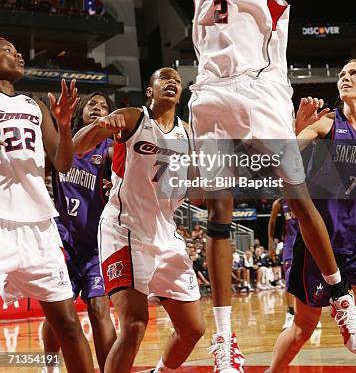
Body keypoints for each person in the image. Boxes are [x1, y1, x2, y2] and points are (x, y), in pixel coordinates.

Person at [174, 0, 356, 371]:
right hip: (210, 93)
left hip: (258, 93)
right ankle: (226, 340)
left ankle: (339, 295)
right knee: (218, 210)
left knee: (297, 196)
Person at [268, 59, 356, 372]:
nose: (344, 77)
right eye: (341, 74)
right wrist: (295, 129)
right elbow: (279, 158)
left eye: (352, 73)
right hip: (320, 241)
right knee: (304, 327)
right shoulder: (327, 124)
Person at [72, 67, 205, 373]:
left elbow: (197, 198)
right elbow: (79, 146)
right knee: (134, 325)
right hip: (125, 228)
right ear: (150, 91)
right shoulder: (133, 117)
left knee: (193, 329)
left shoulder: (186, 134)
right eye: (164, 78)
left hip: (165, 235)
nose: (172, 82)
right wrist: (101, 125)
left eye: (177, 80)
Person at [0, 38, 94, 373]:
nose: (19, 55)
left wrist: (65, 124)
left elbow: (63, 162)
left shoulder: (34, 105)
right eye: (9, 50)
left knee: (68, 325)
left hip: (39, 225)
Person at [42, 92, 117, 372]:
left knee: (99, 310)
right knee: (57, 316)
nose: (98, 109)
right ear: (80, 112)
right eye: (92, 105)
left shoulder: (111, 148)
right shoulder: (63, 144)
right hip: (62, 241)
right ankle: (49, 368)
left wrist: (116, 186)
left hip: (97, 245)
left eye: (104, 106)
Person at [268, 198, 297, 329]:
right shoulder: (279, 203)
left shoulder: (308, 197)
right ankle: (290, 314)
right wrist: (271, 245)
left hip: (308, 242)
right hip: (289, 244)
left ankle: (310, 313)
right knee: (289, 277)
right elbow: (272, 223)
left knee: (308, 279)